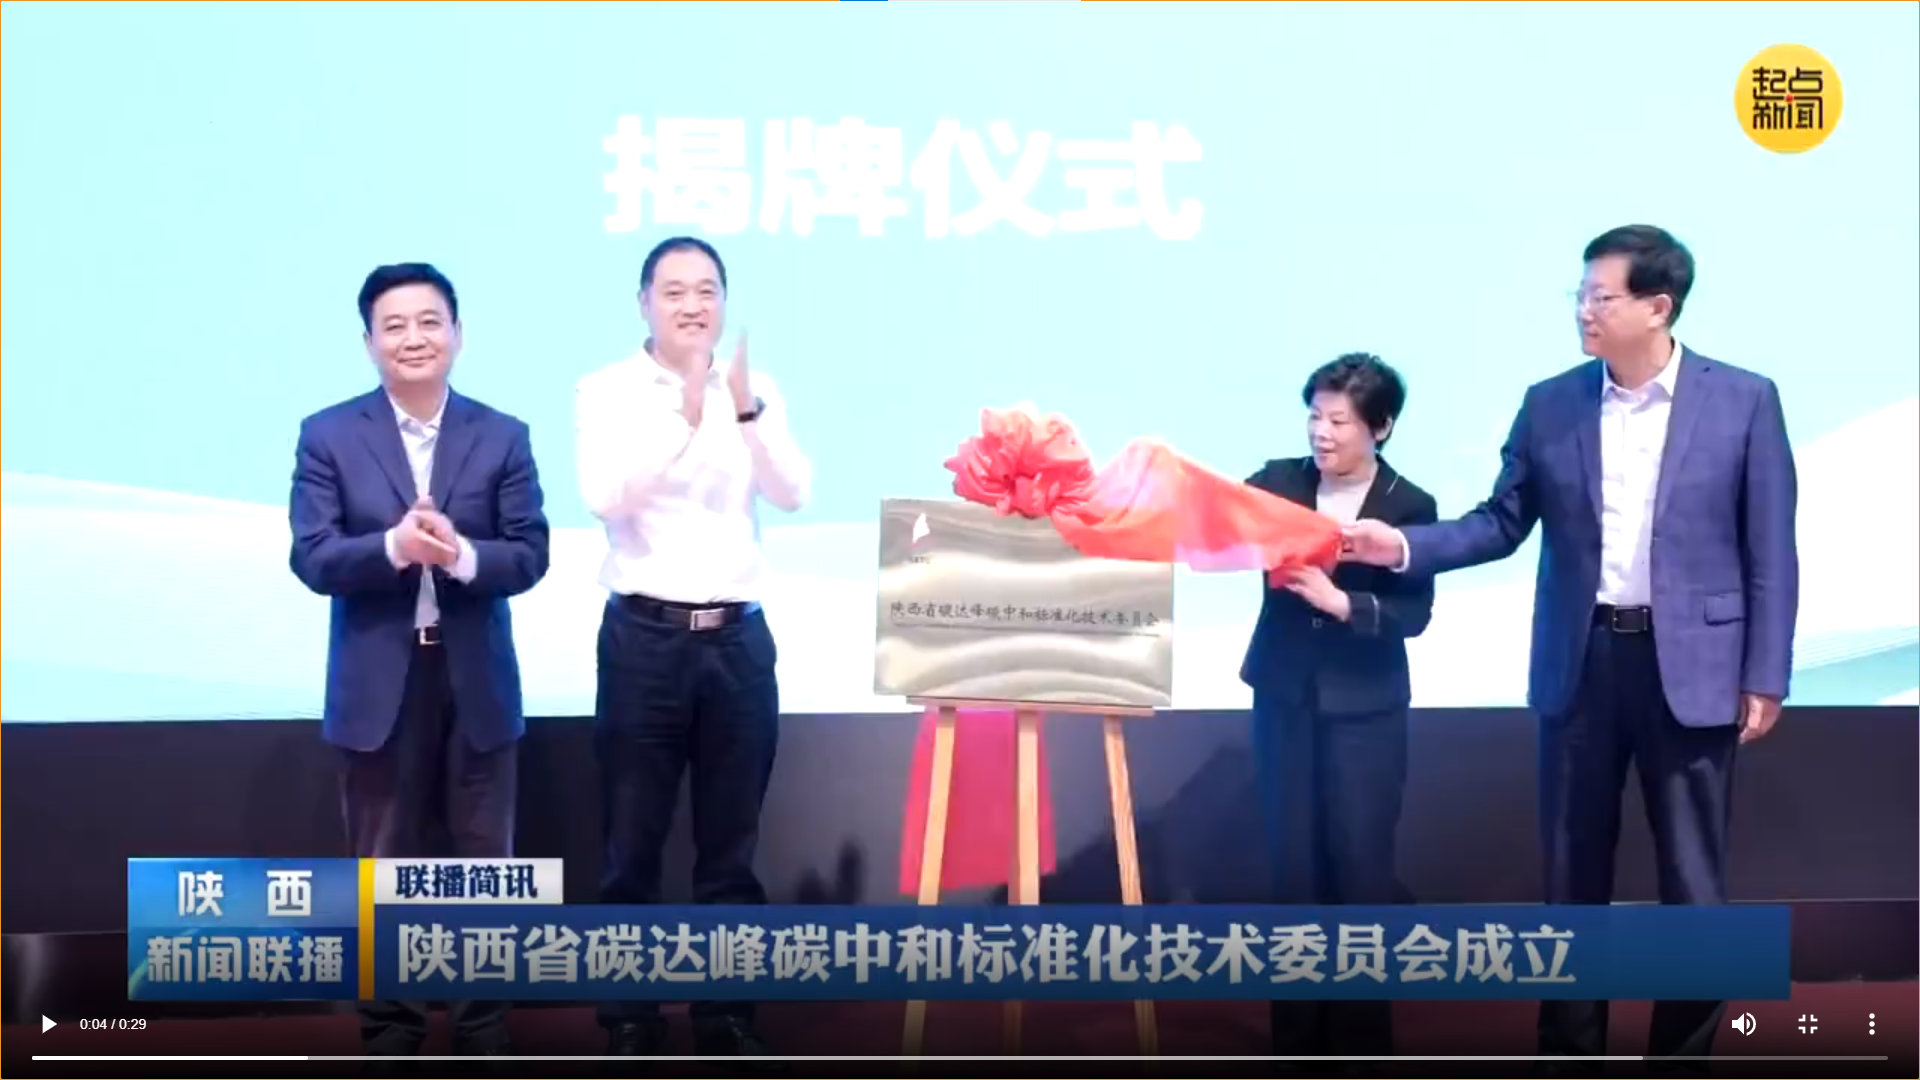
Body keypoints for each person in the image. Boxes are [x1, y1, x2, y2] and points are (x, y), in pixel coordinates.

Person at [1342, 225, 1799, 1070]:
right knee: (1571, 882)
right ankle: (1570, 1051)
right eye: (1579, 295)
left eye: (1600, 296)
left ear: (1657, 307)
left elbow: (1771, 548)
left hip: (1693, 669)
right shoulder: (1551, 403)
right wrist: (1402, 546)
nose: (1583, 310)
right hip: (1581, 664)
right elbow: (1500, 522)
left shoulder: (1744, 400)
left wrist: (1765, 672)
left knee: (1694, 886)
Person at [288, 262, 551, 1060]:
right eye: (394, 325)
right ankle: (391, 1034)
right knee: (382, 873)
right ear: (370, 342)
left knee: (485, 873)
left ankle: (482, 1033)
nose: (414, 338)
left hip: (475, 683)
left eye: (430, 321)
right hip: (379, 685)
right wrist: (395, 548)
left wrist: (462, 556)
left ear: (457, 335)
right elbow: (313, 556)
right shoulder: (328, 434)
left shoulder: (502, 435)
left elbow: (530, 554)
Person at [575, 236, 811, 1059]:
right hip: (645, 640)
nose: (691, 305)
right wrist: (681, 422)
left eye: (706, 290)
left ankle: (726, 1015)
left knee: (730, 850)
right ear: (644, 302)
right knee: (631, 849)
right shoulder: (606, 390)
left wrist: (744, 414)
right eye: (673, 290)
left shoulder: (755, 389)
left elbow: (792, 492)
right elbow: (604, 495)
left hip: (737, 642)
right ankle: (629, 1017)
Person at [1240, 353, 1436, 1064]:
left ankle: (1359, 1047)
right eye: (1315, 417)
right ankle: (1294, 1045)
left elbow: (1414, 615)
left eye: (1340, 421)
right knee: (1293, 872)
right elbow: (1214, 523)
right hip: (1285, 699)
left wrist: (1342, 601)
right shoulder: (1277, 484)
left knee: (1360, 874)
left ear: (1380, 427)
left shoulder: (1409, 505)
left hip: (1366, 711)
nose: (1322, 433)